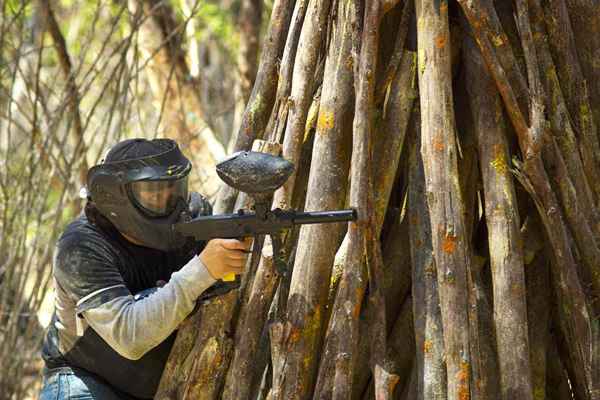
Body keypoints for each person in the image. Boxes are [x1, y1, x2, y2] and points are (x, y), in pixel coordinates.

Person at [39, 138, 250, 399]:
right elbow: (131, 337)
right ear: (115, 196)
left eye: (173, 188)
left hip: (158, 385)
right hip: (84, 379)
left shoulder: (192, 220)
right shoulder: (81, 248)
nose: (167, 198)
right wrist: (203, 270)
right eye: (153, 192)